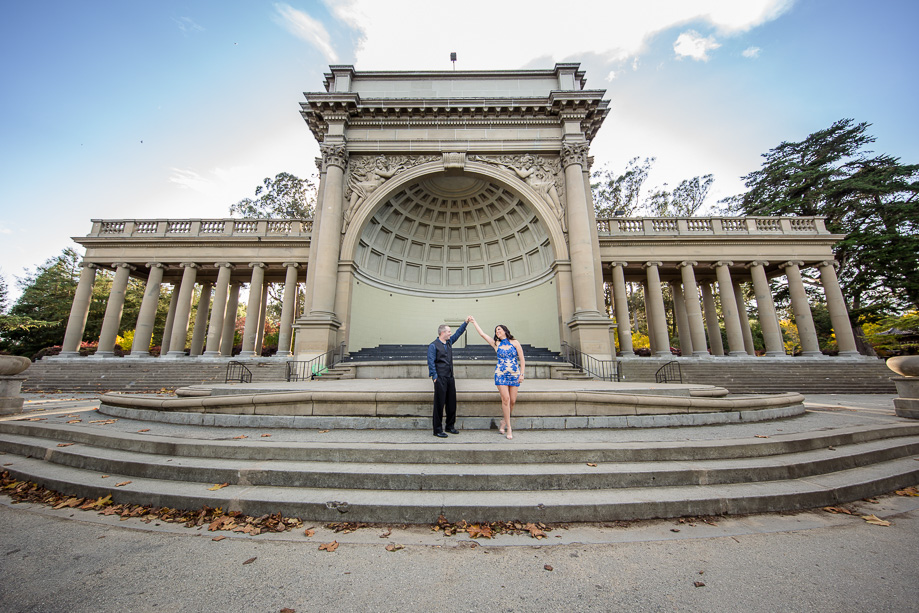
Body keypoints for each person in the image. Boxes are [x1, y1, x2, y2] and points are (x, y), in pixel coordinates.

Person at [470, 317, 525, 439]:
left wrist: (522, 374)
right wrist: (474, 322)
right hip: (500, 374)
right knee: (505, 399)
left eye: (499, 329)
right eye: (495, 331)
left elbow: (522, 359)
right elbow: (483, 334)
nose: (497, 332)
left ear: (505, 330)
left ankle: (504, 421)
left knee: (512, 401)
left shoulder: (515, 342)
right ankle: (509, 428)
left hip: (514, 375)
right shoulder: (496, 344)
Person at [427, 317, 471, 438]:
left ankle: (450, 426)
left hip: (450, 377)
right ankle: (437, 429)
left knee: (451, 402)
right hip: (440, 378)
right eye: (448, 331)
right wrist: (434, 376)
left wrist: (466, 322)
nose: (450, 333)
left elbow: (458, 333)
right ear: (442, 333)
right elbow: (431, 362)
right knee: (439, 404)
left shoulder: (449, 342)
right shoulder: (433, 346)